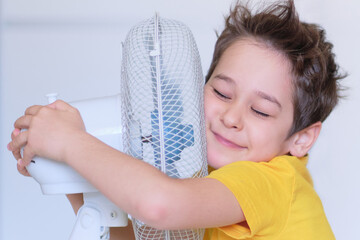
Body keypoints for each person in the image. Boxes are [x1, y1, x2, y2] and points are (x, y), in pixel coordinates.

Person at [8, 0, 345, 239]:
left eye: (260, 111)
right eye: (222, 93)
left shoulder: (270, 182)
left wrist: (70, 143)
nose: (231, 117)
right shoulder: (207, 183)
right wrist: (71, 176)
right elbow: (139, 233)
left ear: (300, 138)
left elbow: (157, 205)